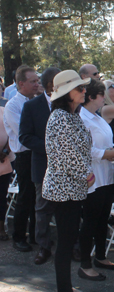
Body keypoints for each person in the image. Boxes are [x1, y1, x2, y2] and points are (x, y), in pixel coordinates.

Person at [43, 69, 94, 292]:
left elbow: (80, 150)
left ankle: (65, 287)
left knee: (68, 239)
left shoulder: (71, 115)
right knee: (65, 242)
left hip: (72, 188)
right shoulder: (61, 117)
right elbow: (67, 156)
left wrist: (85, 173)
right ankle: (64, 288)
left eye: (84, 87)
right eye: (79, 88)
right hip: (64, 190)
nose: (84, 91)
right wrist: (87, 174)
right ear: (66, 93)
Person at [79, 79, 114, 281]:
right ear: (92, 97)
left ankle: (100, 255)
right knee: (90, 221)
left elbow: (107, 139)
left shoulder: (97, 117)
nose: (103, 99)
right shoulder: (81, 118)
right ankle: (85, 264)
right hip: (93, 178)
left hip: (106, 176)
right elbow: (84, 149)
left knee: (102, 219)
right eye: (101, 95)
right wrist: (109, 153)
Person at [19, 67, 60, 264]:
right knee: (42, 209)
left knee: (69, 208)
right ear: (50, 84)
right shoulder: (32, 106)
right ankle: (44, 247)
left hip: (66, 168)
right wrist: (50, 147)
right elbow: (24, 136)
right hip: (42, 165)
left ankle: (73, 245)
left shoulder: (70, 104)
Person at [4, 65, 40, 252]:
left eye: (37, 81)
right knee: (26, 196)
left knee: (38, 196)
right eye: (33, 81)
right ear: (21, 83)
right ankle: (19, 236)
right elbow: (23, 133)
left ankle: (35, 235)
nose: (37, 84)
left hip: (38, 153)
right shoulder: (13, 105)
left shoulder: (37, 102)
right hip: (24, 155)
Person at [0, 105, 15, 241]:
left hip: (3, 160)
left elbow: (12, 133)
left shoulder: (3, 111)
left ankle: (1, 228)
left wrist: (5, 151)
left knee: (1, 197)